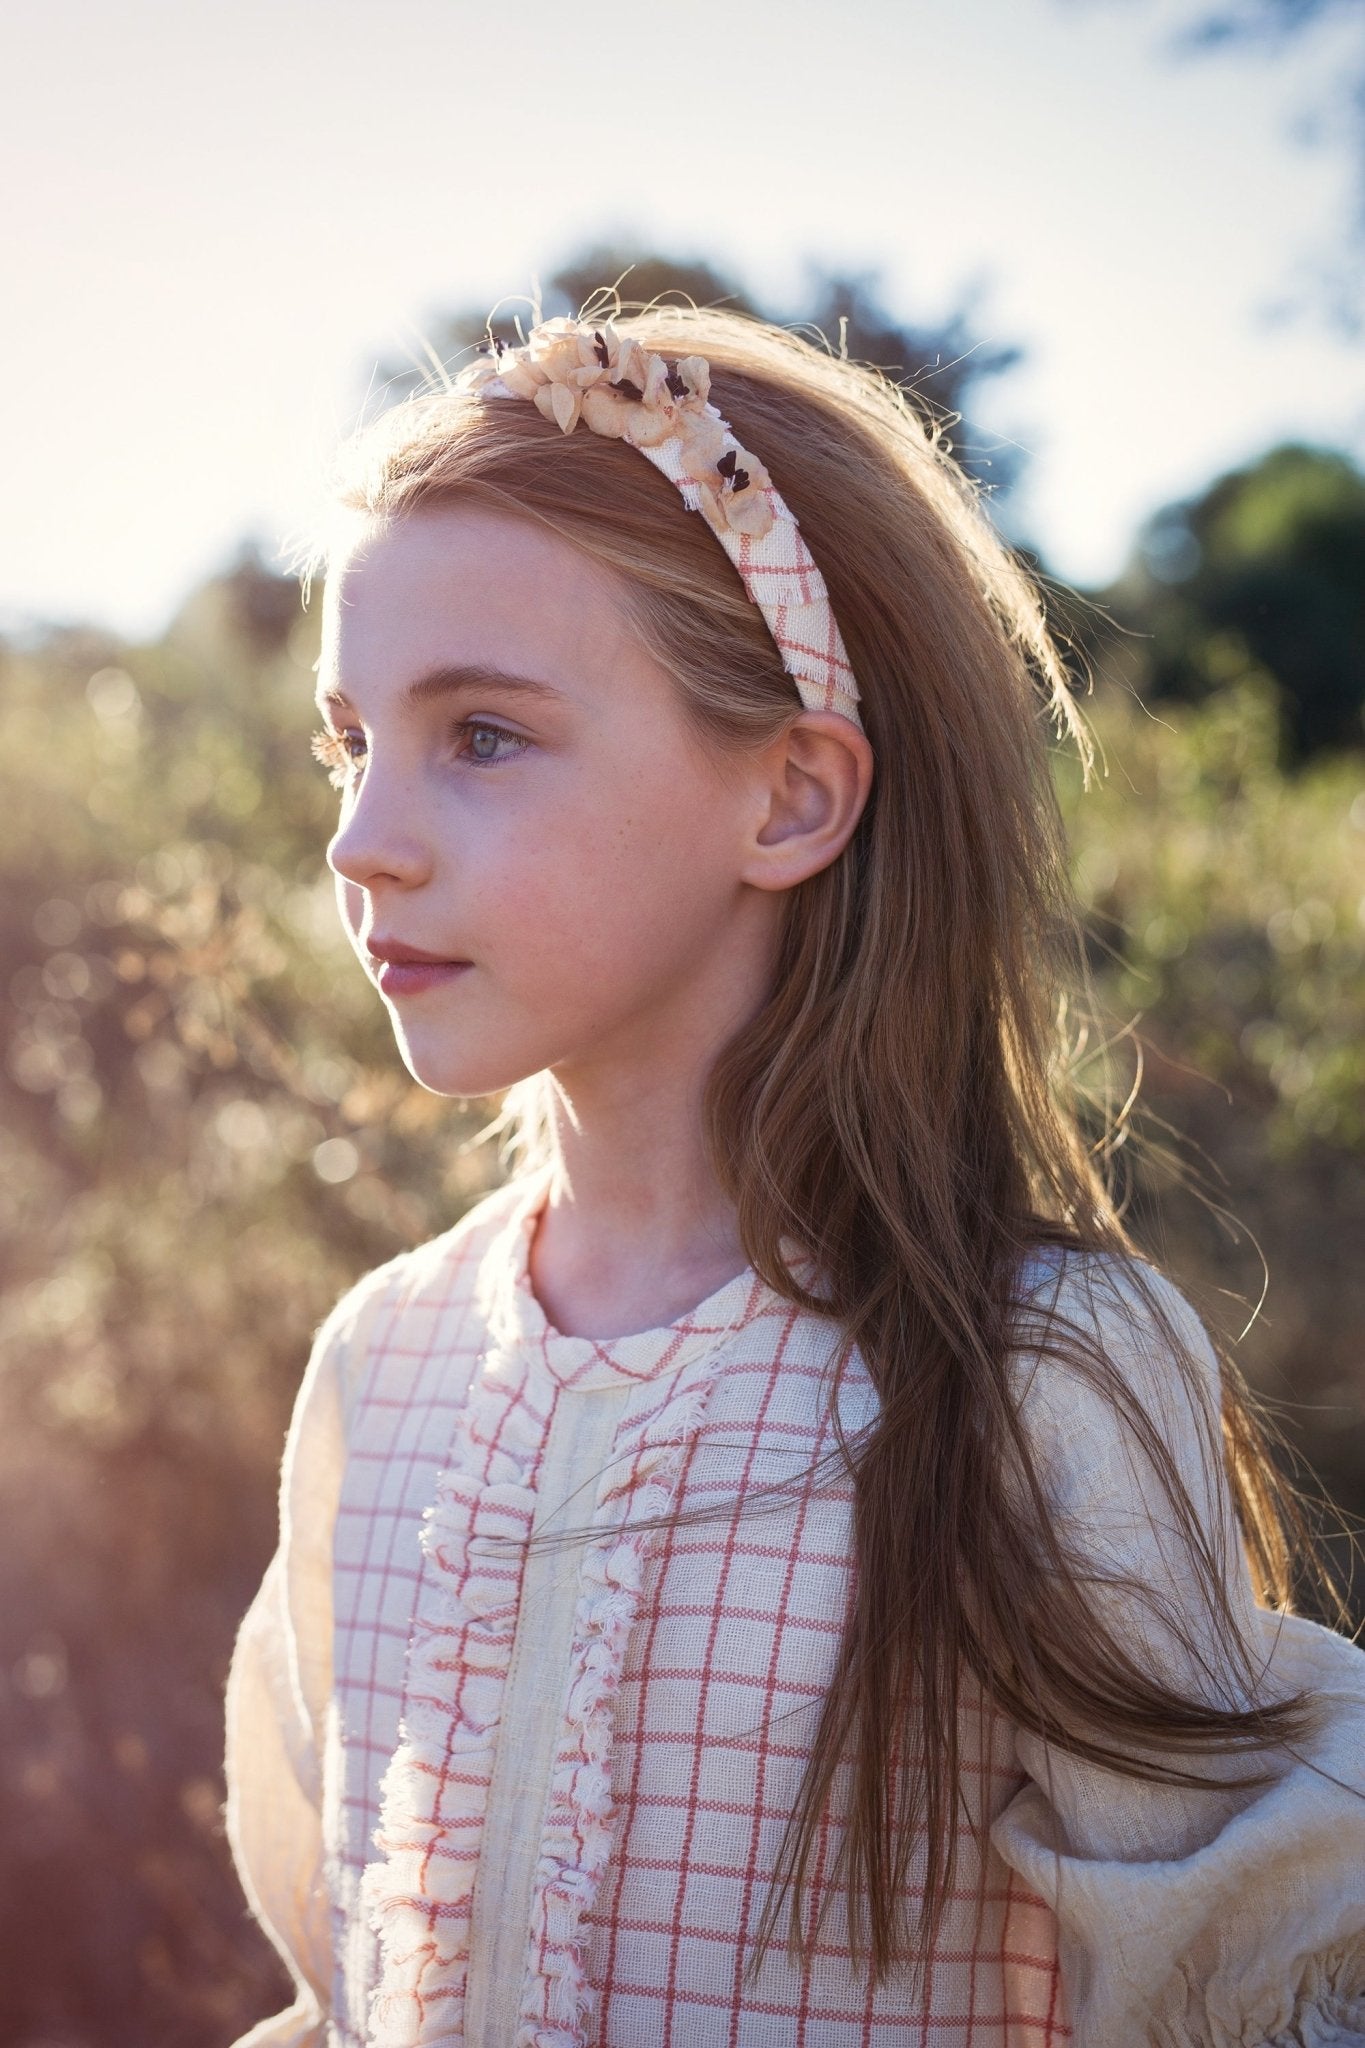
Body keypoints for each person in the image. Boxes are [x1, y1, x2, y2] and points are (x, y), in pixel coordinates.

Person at [224, 302, 1365, 2048]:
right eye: (348, 740)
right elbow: (345, 1985)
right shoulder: (380, 1367)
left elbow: (1232, 1988)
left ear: (787, 797)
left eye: (482, 736)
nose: (361, 838)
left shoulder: (1032, 1375)